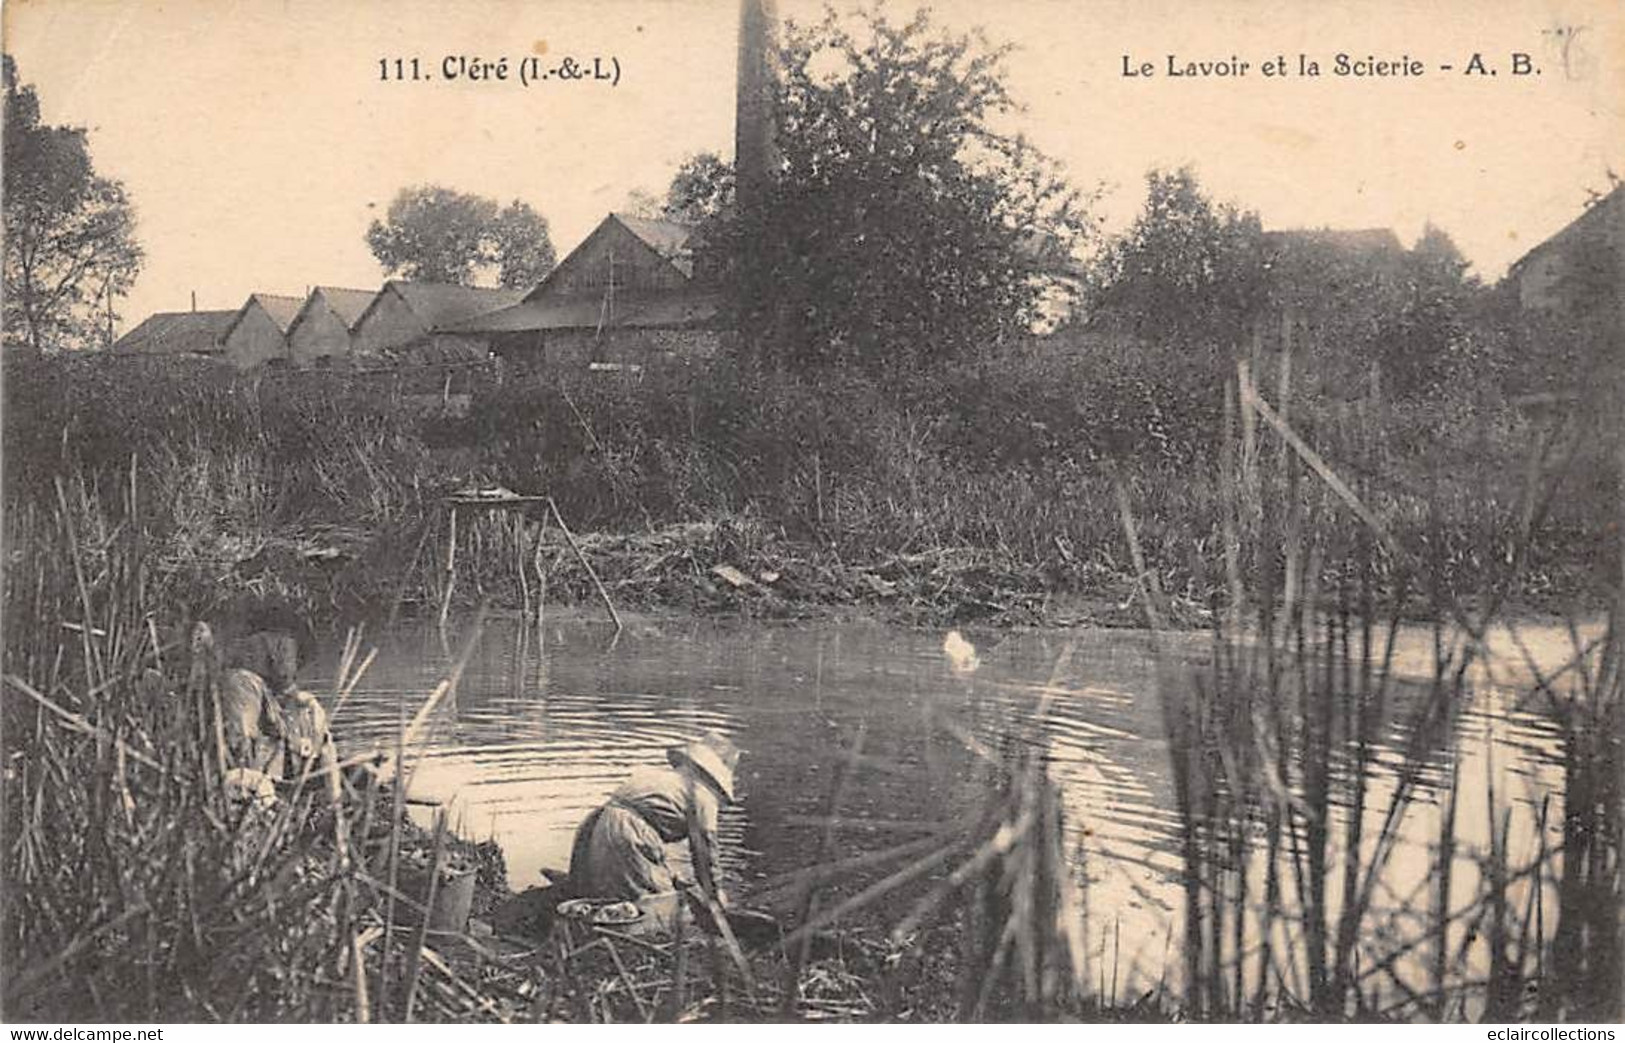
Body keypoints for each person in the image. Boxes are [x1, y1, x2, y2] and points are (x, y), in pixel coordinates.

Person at [566, 732, 741, 918]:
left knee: (608, 886)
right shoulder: (703, 796)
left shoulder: (661, 777)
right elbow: (705, 849)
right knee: (654, 900)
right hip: (630, 832)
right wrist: (714, 891)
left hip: (599, 823)